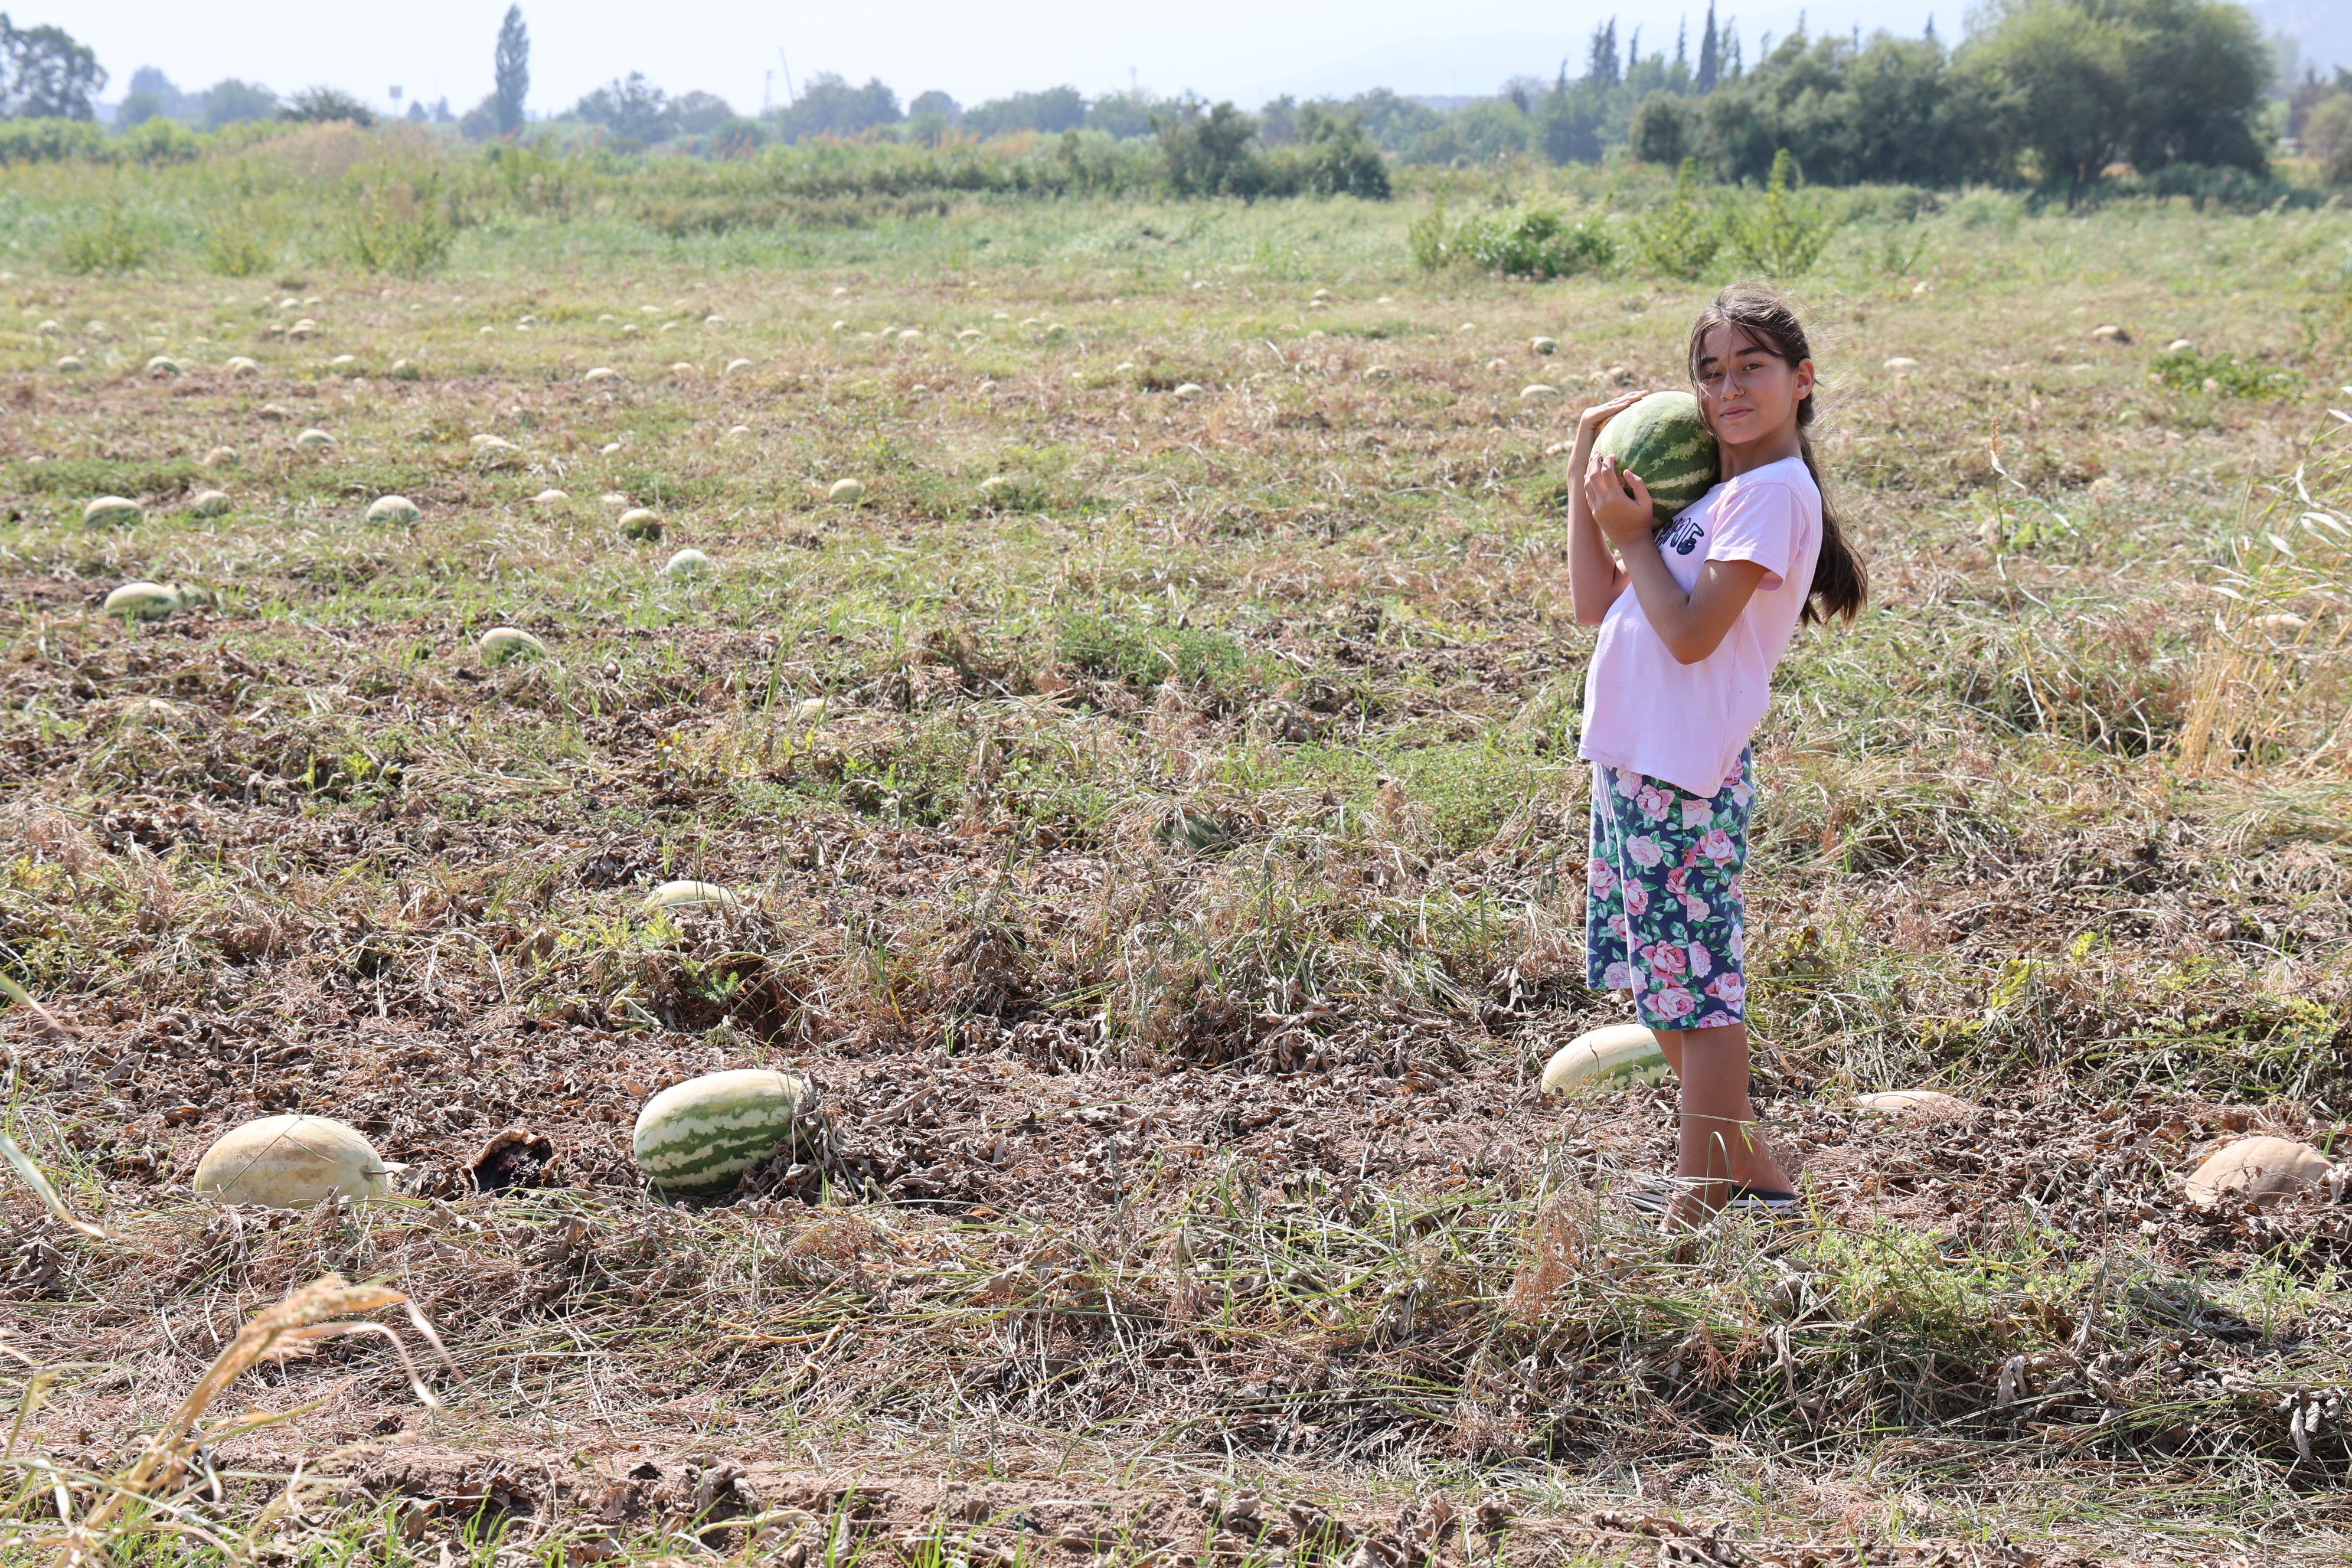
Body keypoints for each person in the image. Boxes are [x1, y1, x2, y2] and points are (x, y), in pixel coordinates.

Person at [1564, 286, 1867, 1226]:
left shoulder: (1775, 496)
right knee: (1664, 980)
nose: (1728, 388)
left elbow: (1693, 635)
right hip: (1637, 756)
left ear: (1801, 381)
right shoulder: (1727, 492)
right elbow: (1593, 600)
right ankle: (1753, 1176)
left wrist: (1632, 539)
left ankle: (1700, 1196)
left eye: (1752, 368)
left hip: (1684, 769)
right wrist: (1588, 463)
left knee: (1698, 992)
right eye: (1711, 372)